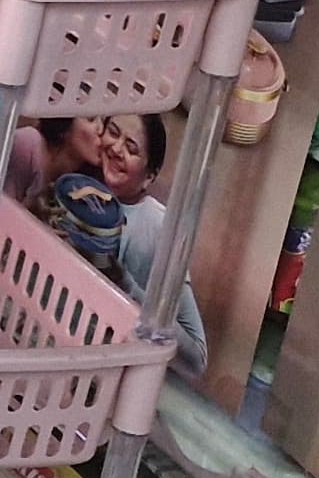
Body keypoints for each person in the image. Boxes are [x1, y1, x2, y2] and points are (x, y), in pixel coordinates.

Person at [29, 110, 209, 379]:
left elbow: (196, 358)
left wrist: (124, 285)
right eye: (112, 132)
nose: (115, 148)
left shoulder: (156, 227)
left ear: (149, 177)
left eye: (131, 148)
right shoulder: (70, 190)